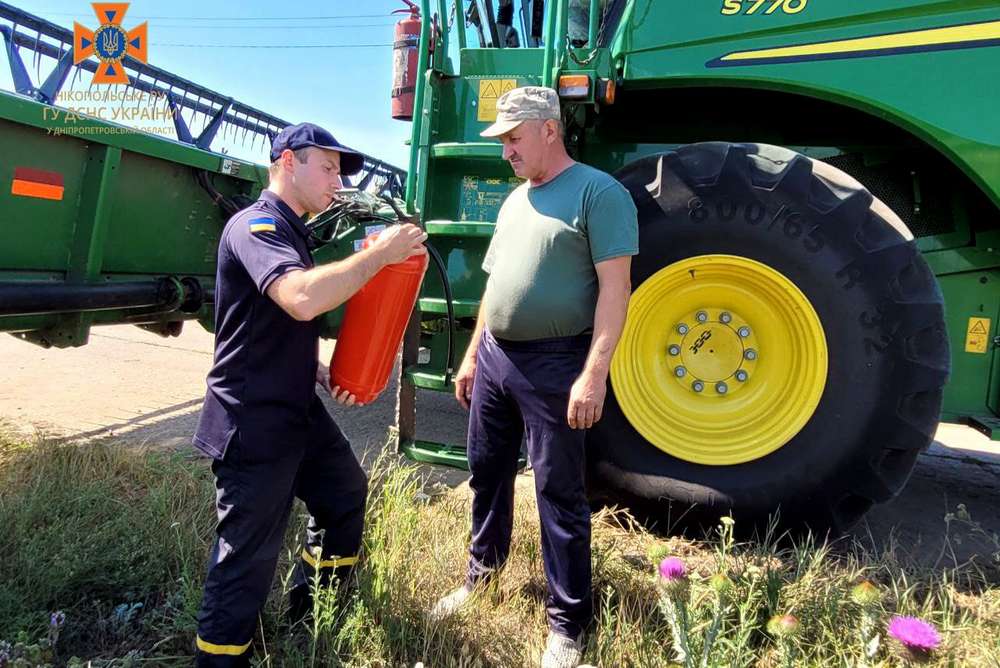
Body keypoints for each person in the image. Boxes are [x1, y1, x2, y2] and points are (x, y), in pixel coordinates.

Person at [191, 122, 427, 667]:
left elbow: (268, 320)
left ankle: (312, 611)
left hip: (295, 406)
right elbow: (299, 299)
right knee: (244, 559)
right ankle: (220, 660)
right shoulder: (257, 226)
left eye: (340, 171)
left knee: (344, 495)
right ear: (287, 162)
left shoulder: (295, 231)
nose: (337, 180)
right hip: (251, 420)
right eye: (327, 167)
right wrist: (378, 257)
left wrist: (312, 365)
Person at [430, 87, 638, 668]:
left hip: (556, 361)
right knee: (486, 473)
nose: (505, 152)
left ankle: (567, 625)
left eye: (514, 139)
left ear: (550, 129)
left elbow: (616, 291)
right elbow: (494, 287)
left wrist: (593, 374)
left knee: (558, 492)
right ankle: (480, 577)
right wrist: (473, 354)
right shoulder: (515, 200)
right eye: (502, 141)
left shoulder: (600, 193)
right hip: (496, 356)